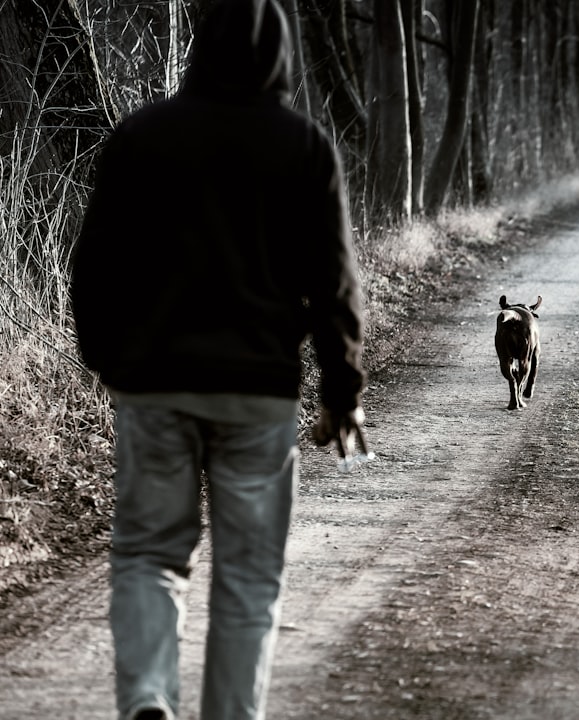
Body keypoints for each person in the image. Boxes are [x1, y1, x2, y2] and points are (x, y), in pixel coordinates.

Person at [70, 1, 367, 718]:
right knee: (248, 578)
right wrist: (341, 389)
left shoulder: (141, 138)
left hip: (155, 388)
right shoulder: (303, 147)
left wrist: (111, 361)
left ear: (201, 45)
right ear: (284, 54)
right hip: (257, 396)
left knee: (148, 554)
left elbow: (94, 269)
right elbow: (333, 285)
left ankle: (147, 697)